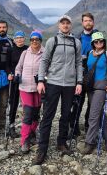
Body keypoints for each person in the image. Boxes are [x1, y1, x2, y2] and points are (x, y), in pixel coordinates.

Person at [35, 15, 83, 165]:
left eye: (68, 23)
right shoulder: (52, 41)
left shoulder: (76, 43)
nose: (65, 25)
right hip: (53, 83)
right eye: (63, 23)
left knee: (65, 115)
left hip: (69, 84)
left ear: (71, 25)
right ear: (59, 25)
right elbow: (44, 61)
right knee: (48, 115)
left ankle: (61, 143)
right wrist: (41, 80)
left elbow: (79, 63)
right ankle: (42, 149)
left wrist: (79, 82)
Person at [81, 32, 107, 154]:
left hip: (102, 87)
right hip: (90, 87)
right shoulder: (90, 54)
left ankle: (90, 142)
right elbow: (86, 68)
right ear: (93, 43)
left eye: (101, 41)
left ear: (104, 42)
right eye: (96, 41)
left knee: (93, 115)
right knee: (100, 113)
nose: (99, 43)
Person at [15, 31, 44, 154]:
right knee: (28, 113)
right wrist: (17, 75)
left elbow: (48, 68)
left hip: (39, 88)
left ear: (40, 40)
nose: (34, 41)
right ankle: (24, 140)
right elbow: (18, 67)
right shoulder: (25, 53)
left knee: (36, 113)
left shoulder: (45, 53)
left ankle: (32, 133)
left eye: (37, 39)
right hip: (25, 87)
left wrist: (44, 79)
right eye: (32, 39)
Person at [70, 12, 98, 137]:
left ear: (93, 22)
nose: (88, 23)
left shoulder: (98, 37)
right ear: (82, 23)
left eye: (90, 21)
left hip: (94, 75)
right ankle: (74, 126)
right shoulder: (77, 38)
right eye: (86, 21)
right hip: (80, 75)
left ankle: (88, 125)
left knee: (92, 103)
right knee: (77, 102)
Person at [8, 31, 29, 139]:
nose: (20, 39)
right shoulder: (11, 50)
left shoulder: (28, 49)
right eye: (17, 38)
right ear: (14, 40)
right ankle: (11, 126)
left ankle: (29, 126)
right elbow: (7, 64)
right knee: (13, 103)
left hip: (27, 80)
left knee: (28, 104)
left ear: (24, 39)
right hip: (15, 79)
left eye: (21, 37)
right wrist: (9, 74)